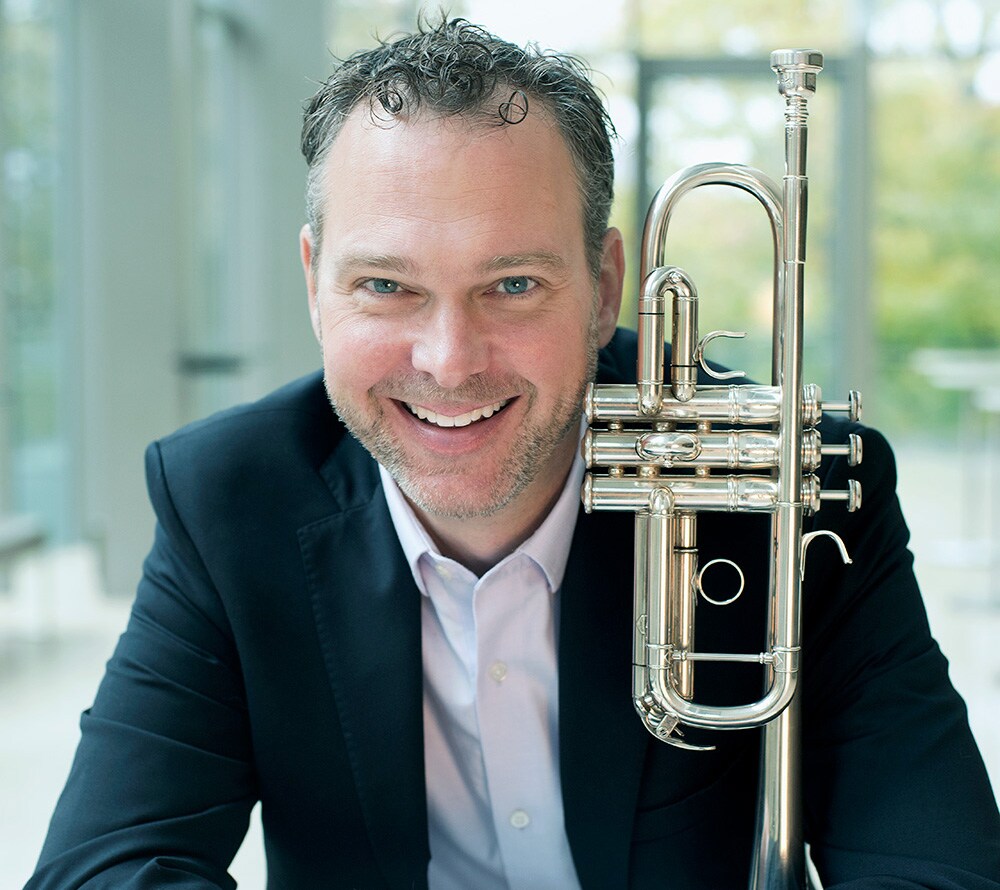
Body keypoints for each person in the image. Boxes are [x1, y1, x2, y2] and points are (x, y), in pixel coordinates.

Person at [26, 17, 1000, 890]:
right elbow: (103, 867)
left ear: (606, 286)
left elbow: (938, 866)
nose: (449, 361)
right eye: (386, 286)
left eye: (514, 284)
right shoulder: (226, 499)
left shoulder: (795, 483)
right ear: (316, 282)